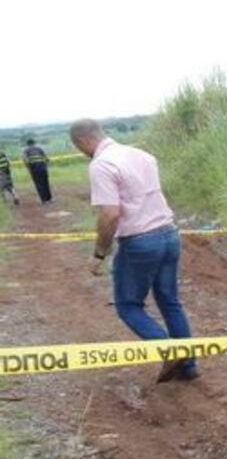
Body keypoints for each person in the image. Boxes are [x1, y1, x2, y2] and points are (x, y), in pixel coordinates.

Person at [70, 119, 200, 382]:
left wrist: (99, 253)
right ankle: (188, 365)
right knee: (170, 301)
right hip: (169, 233)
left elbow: (110, 214)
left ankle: (168, 350)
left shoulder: (101, 165)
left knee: (128, 306)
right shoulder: (142, 155)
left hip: (140, 241)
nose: (81, 151)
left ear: (82, 141)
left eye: (78, 147)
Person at [22, 138, 52, 204]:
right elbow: (47, 158)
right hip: (42, 167)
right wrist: (46, 165)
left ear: (27, 144)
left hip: (34, 168)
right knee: (45, 182)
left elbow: (24, 159)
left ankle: (44, 200)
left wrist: (28, 168)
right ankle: (49, 199)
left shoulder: (26, 150)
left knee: (38, 184)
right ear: (34, 143)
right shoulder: (39, 149)